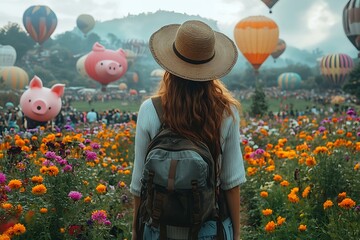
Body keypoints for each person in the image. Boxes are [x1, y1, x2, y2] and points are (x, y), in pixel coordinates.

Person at [130, 20, 246, 240]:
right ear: (212, 67)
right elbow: (231, 183)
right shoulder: (226, 111)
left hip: (157, 226)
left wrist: (137, 231)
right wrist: (236, 234)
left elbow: (139, 183)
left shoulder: (150, 109)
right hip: (209, 227)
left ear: (170, 65)